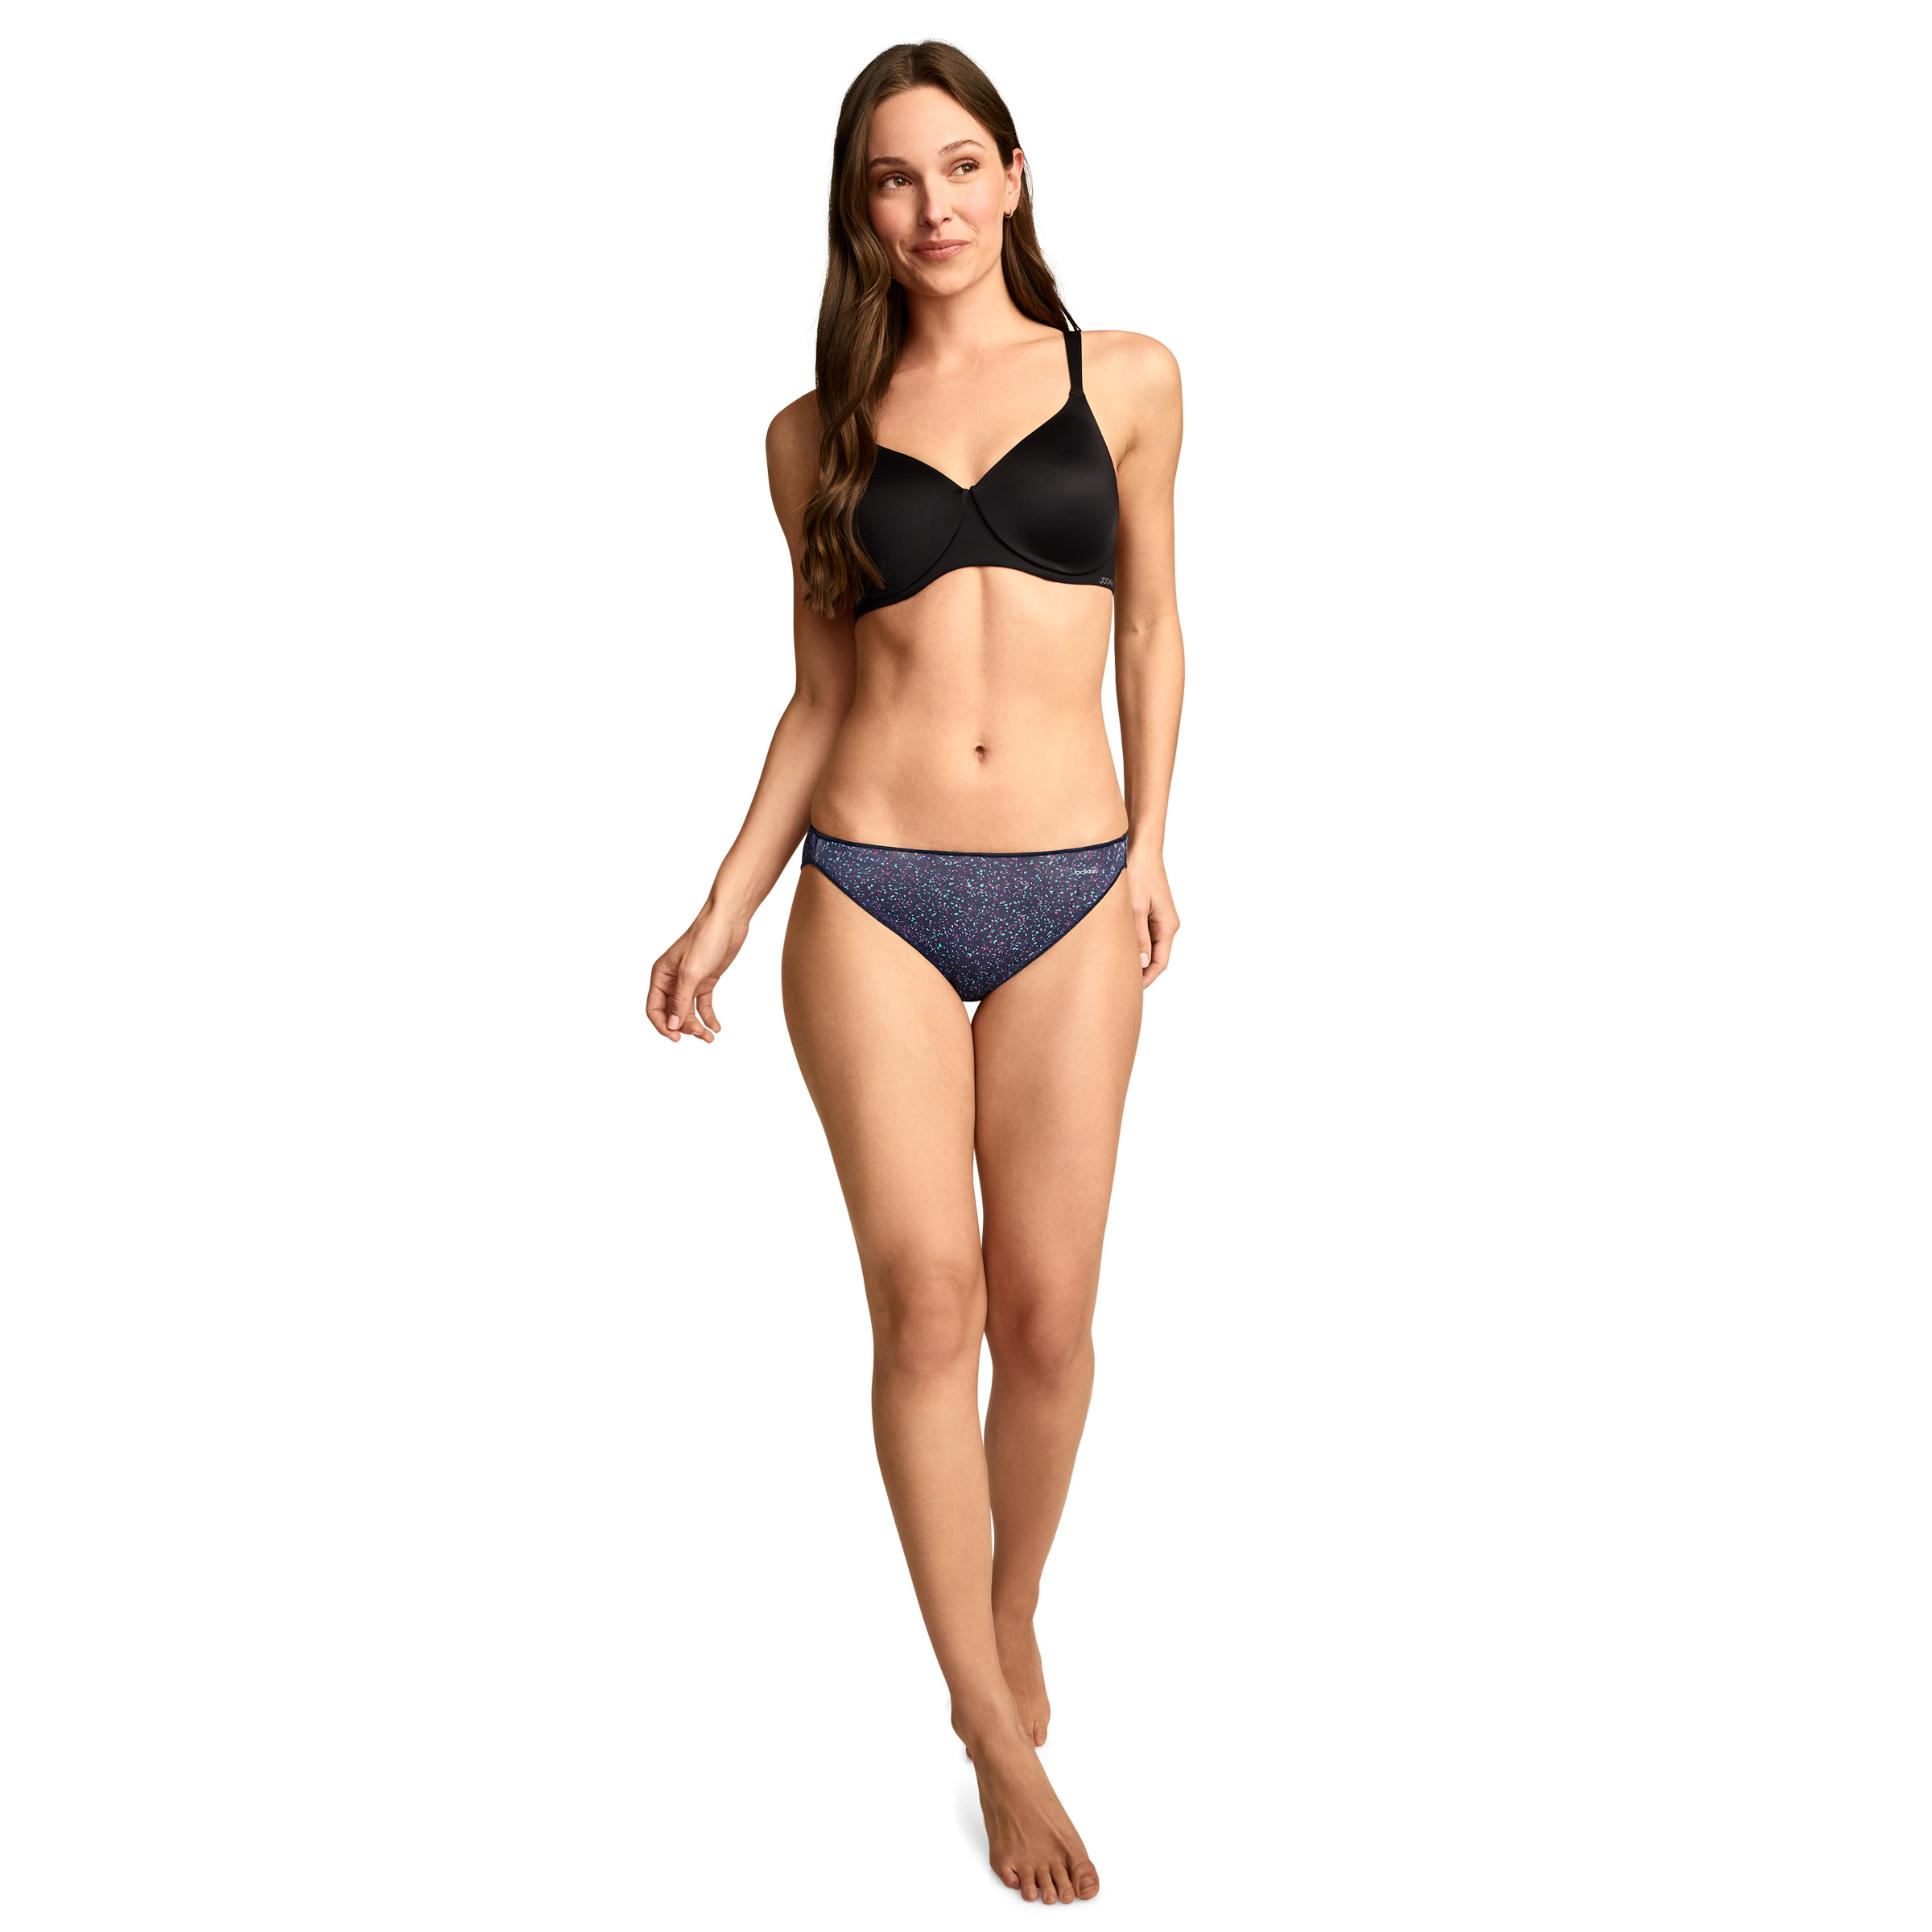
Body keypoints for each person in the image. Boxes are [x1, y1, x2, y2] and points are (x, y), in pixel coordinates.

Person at [647, 40, 1183, 1905]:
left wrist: (1155, 844)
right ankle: (989, 1726)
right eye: (894, 177)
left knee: (1047, 1318)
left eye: (961, 166)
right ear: (858, 209)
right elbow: (818, 699)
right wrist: (724, 906)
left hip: (1071, 889)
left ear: (1013, 178)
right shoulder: (812, 433)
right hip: (868, 891)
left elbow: (1156, 626)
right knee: (927, 1306)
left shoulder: (1126, 380)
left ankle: (1009, 1605)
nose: (932, 205)